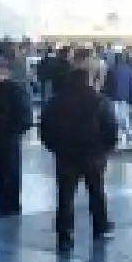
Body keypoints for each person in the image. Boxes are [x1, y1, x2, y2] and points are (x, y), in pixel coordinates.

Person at [40, 66, 118, 252]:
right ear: (89, 80)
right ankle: (100, 226)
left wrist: (55, 147)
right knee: (96, 191)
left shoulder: (56, 101)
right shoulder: (99, 101)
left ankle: (64, 234)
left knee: (65, 195)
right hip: (93, 154)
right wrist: (104, 149)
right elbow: (110, 128)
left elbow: (45, 128)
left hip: (66, 154)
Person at [0, 60, 33, 216]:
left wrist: (13, 131)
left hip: (8, 138)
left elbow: (25, 116)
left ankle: (12, 204)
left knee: (11, 170)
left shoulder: (16, 91)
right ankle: (2, 202)